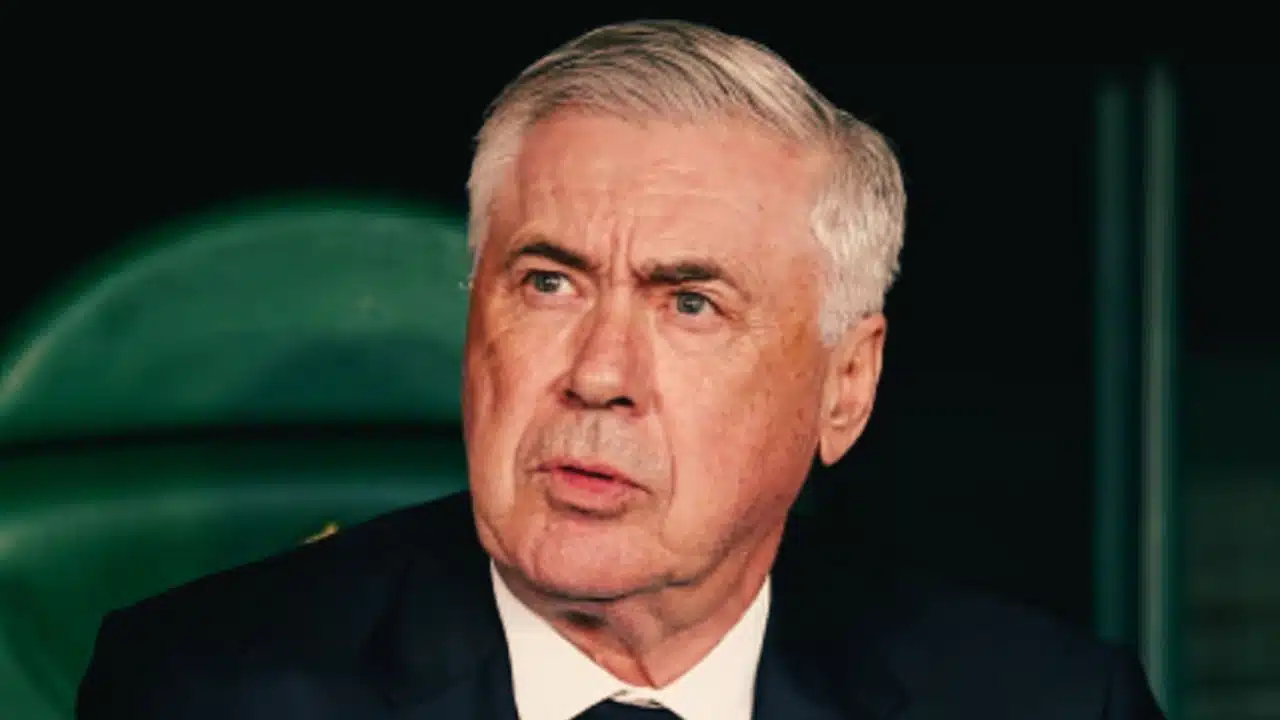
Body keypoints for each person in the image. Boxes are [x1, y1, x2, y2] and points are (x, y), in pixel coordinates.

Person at [77, 20, 1165, 720]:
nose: (598, 375)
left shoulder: (1045, 701)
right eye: (549, 283)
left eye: (689, 303)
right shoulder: (200, 688)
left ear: (845, 386)